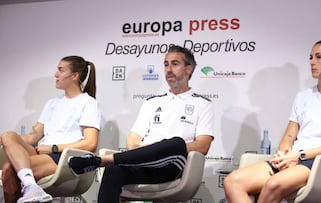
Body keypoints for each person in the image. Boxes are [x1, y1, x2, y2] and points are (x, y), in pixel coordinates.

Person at [68, 45, 214, 202]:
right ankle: (104, 162)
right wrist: (151, 151)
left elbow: (202, 146)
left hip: (173, 164)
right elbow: (132, 141)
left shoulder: (202, 103)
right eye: (166, 64)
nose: (169, 69)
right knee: (113, 171)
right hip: (144, 161)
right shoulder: (151, 102)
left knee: (175, 142)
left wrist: (163, 148)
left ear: (188, 69)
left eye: (175, 64)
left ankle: (99, 160)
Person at [223, 38, 321, 203]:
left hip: (320, 162)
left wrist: (299, 156)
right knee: (232, 181)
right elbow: (289, 136)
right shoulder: (303, 96)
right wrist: (284, 152)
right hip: (294, 158)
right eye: (310, 57)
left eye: (319, 57)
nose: (312, 62)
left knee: (273, 184)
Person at [0, 56, 101, 203]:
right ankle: (31, 186)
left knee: (9, 168)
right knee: (8, 135)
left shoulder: (88, 103)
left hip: (62, 157)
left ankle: (31, 187)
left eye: (61, 70)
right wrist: (6, 141)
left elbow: (90, 143)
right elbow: (33, 137)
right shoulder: (52, 103)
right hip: (42, 152)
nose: (55, 74)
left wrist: (53, 148)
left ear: (74, 76)